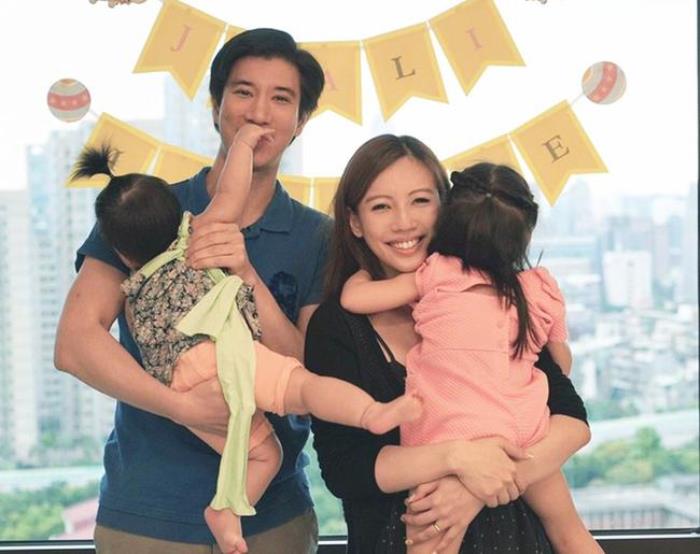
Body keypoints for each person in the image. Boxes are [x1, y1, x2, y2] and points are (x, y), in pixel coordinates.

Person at [70, 132, 420, 553]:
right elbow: (232, 192)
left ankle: (225, 512)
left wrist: (182, 406)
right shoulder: (196, 238)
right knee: (307, 387)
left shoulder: (134, 290)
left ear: (121, 253)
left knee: (264, 455)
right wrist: (243, 146)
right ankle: (371, 413)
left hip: (186, 381)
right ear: (181, 216)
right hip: (233, 356)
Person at [55, 28, 332, 553]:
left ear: (301, 121)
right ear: (216, 105)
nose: (259, 112)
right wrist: (180, 406)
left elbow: (311, 373)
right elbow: (75, 345)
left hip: (271, 519)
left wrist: (245, 274)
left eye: (281, 98)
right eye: (244, 92)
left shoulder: (318, 236)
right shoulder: (148, 208)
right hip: (147, 516)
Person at [305, 135, 595, 553]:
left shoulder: (502, 293)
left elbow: (570, 420)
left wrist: (481, 485)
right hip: (402, 536)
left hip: (518, 539)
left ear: (449, 207)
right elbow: (347, 469)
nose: (404, 222)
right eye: (381, 206)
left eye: (421, 201)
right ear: (355, 222)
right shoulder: (337, 327)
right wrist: (458, 459)